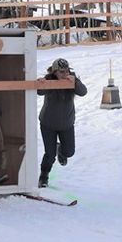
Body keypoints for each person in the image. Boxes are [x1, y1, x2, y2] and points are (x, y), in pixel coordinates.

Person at [37, 58, 87, 188]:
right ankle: (44, 176)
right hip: (48, 123)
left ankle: (61, 149)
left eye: (66, 71)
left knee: (70, 152)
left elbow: (83, 92)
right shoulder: (50, 80)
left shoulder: (72, 79)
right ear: (54, 72)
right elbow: (39, 91)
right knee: (50, 154)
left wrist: (75, 82)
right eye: (60, 72)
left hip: (66, 124)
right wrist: (41, 83)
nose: (64, 74)